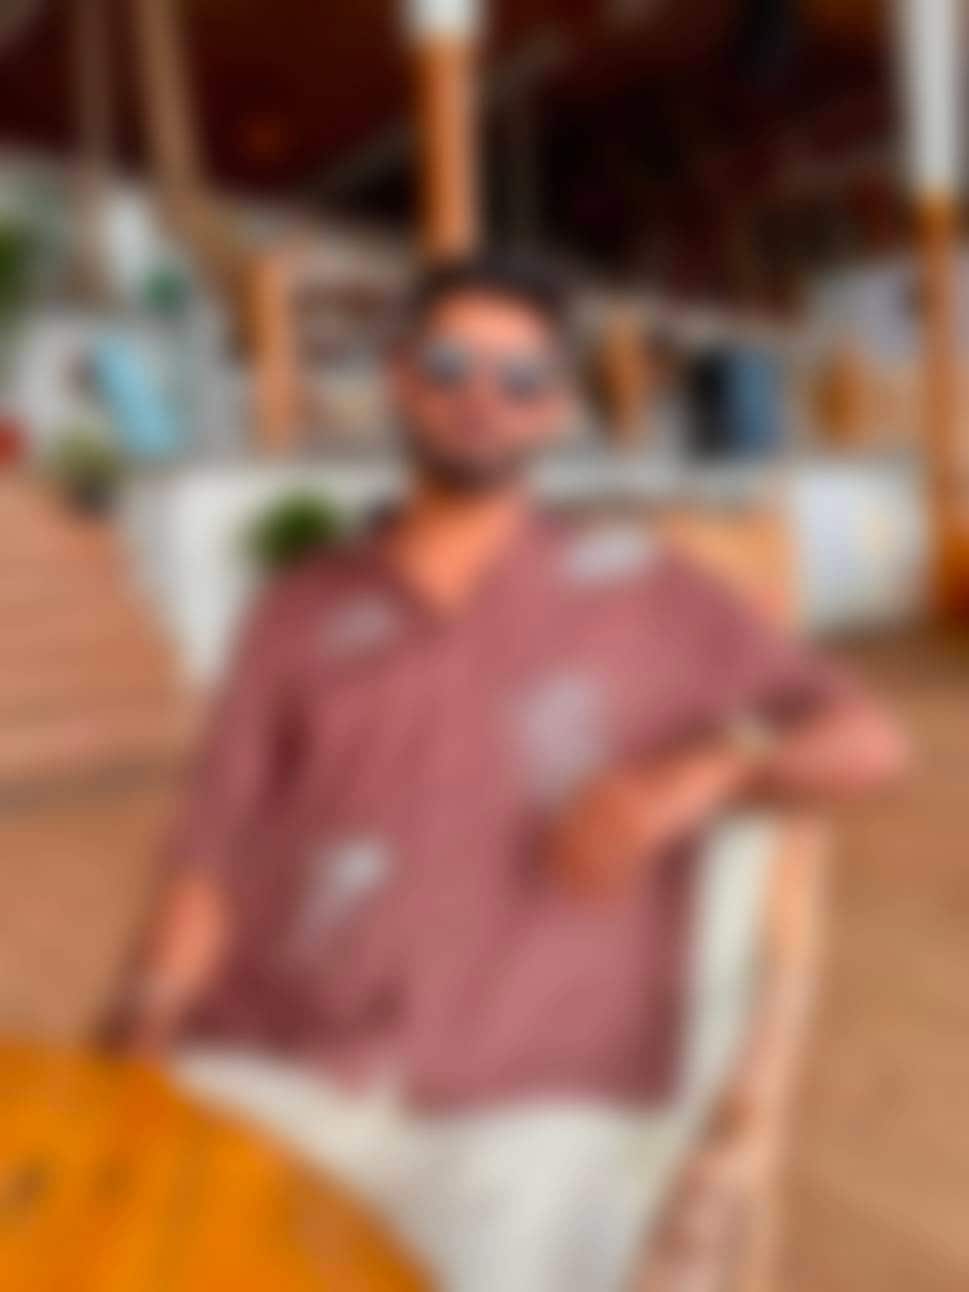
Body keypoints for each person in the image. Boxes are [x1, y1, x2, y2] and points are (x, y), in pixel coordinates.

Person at [113, 254, 907, 1291]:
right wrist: (145, 1018)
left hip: (532, 1091)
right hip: (287, 1054)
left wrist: (702, 773)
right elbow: (213, 846)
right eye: (450, 364)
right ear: (400, 379)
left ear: (560, 410)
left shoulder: (640, 589)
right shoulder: (299, 608)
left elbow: (867, 739)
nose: (483, 396)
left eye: (522, 377)